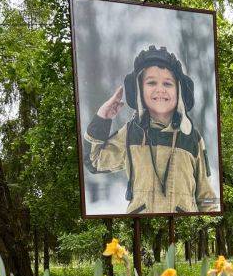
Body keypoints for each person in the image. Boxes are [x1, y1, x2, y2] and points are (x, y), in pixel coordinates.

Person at [83, 45, 219, 214]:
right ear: (140, 90)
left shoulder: (191, 137)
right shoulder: (131, 133)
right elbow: (94, 161)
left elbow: (207, 197)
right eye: (152, 82)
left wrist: (211, 224)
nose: (160, 89)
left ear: (179, 90)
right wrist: (102, 118)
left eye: (168, 83)